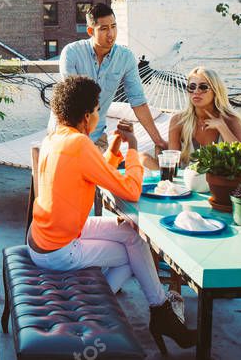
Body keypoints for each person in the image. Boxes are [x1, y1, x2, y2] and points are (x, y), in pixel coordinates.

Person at [29, 75, 196, 351]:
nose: (99, 115)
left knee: (132, 237)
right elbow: (130, 191)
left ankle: (159, 311)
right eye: (97, 110)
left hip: (44, 238)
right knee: (136, 256)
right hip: (59, 249)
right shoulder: (79, 144)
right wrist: (133, 150)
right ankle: (131, 309)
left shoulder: (57, 137)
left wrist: (116, 148)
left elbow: (98, 173)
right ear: (85, 117)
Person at [58, 2, 166, 154]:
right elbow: (72, 101)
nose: (111, 34)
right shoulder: (71, 53)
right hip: (66, 136)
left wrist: (158, 140)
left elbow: (138, 101)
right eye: (104, 28)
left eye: (113, 26)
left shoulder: (126, 57)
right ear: (90, 30)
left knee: (101, 177)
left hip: (97, 137)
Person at [169, 67, 241, 164]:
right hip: (188, 178)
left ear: (215, 91)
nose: (196, 91)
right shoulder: (179, 120)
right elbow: (172, 163)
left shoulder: (230, 120)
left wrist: (222, 127)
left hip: (220, 179)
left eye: (203, 87)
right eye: (192, 87)